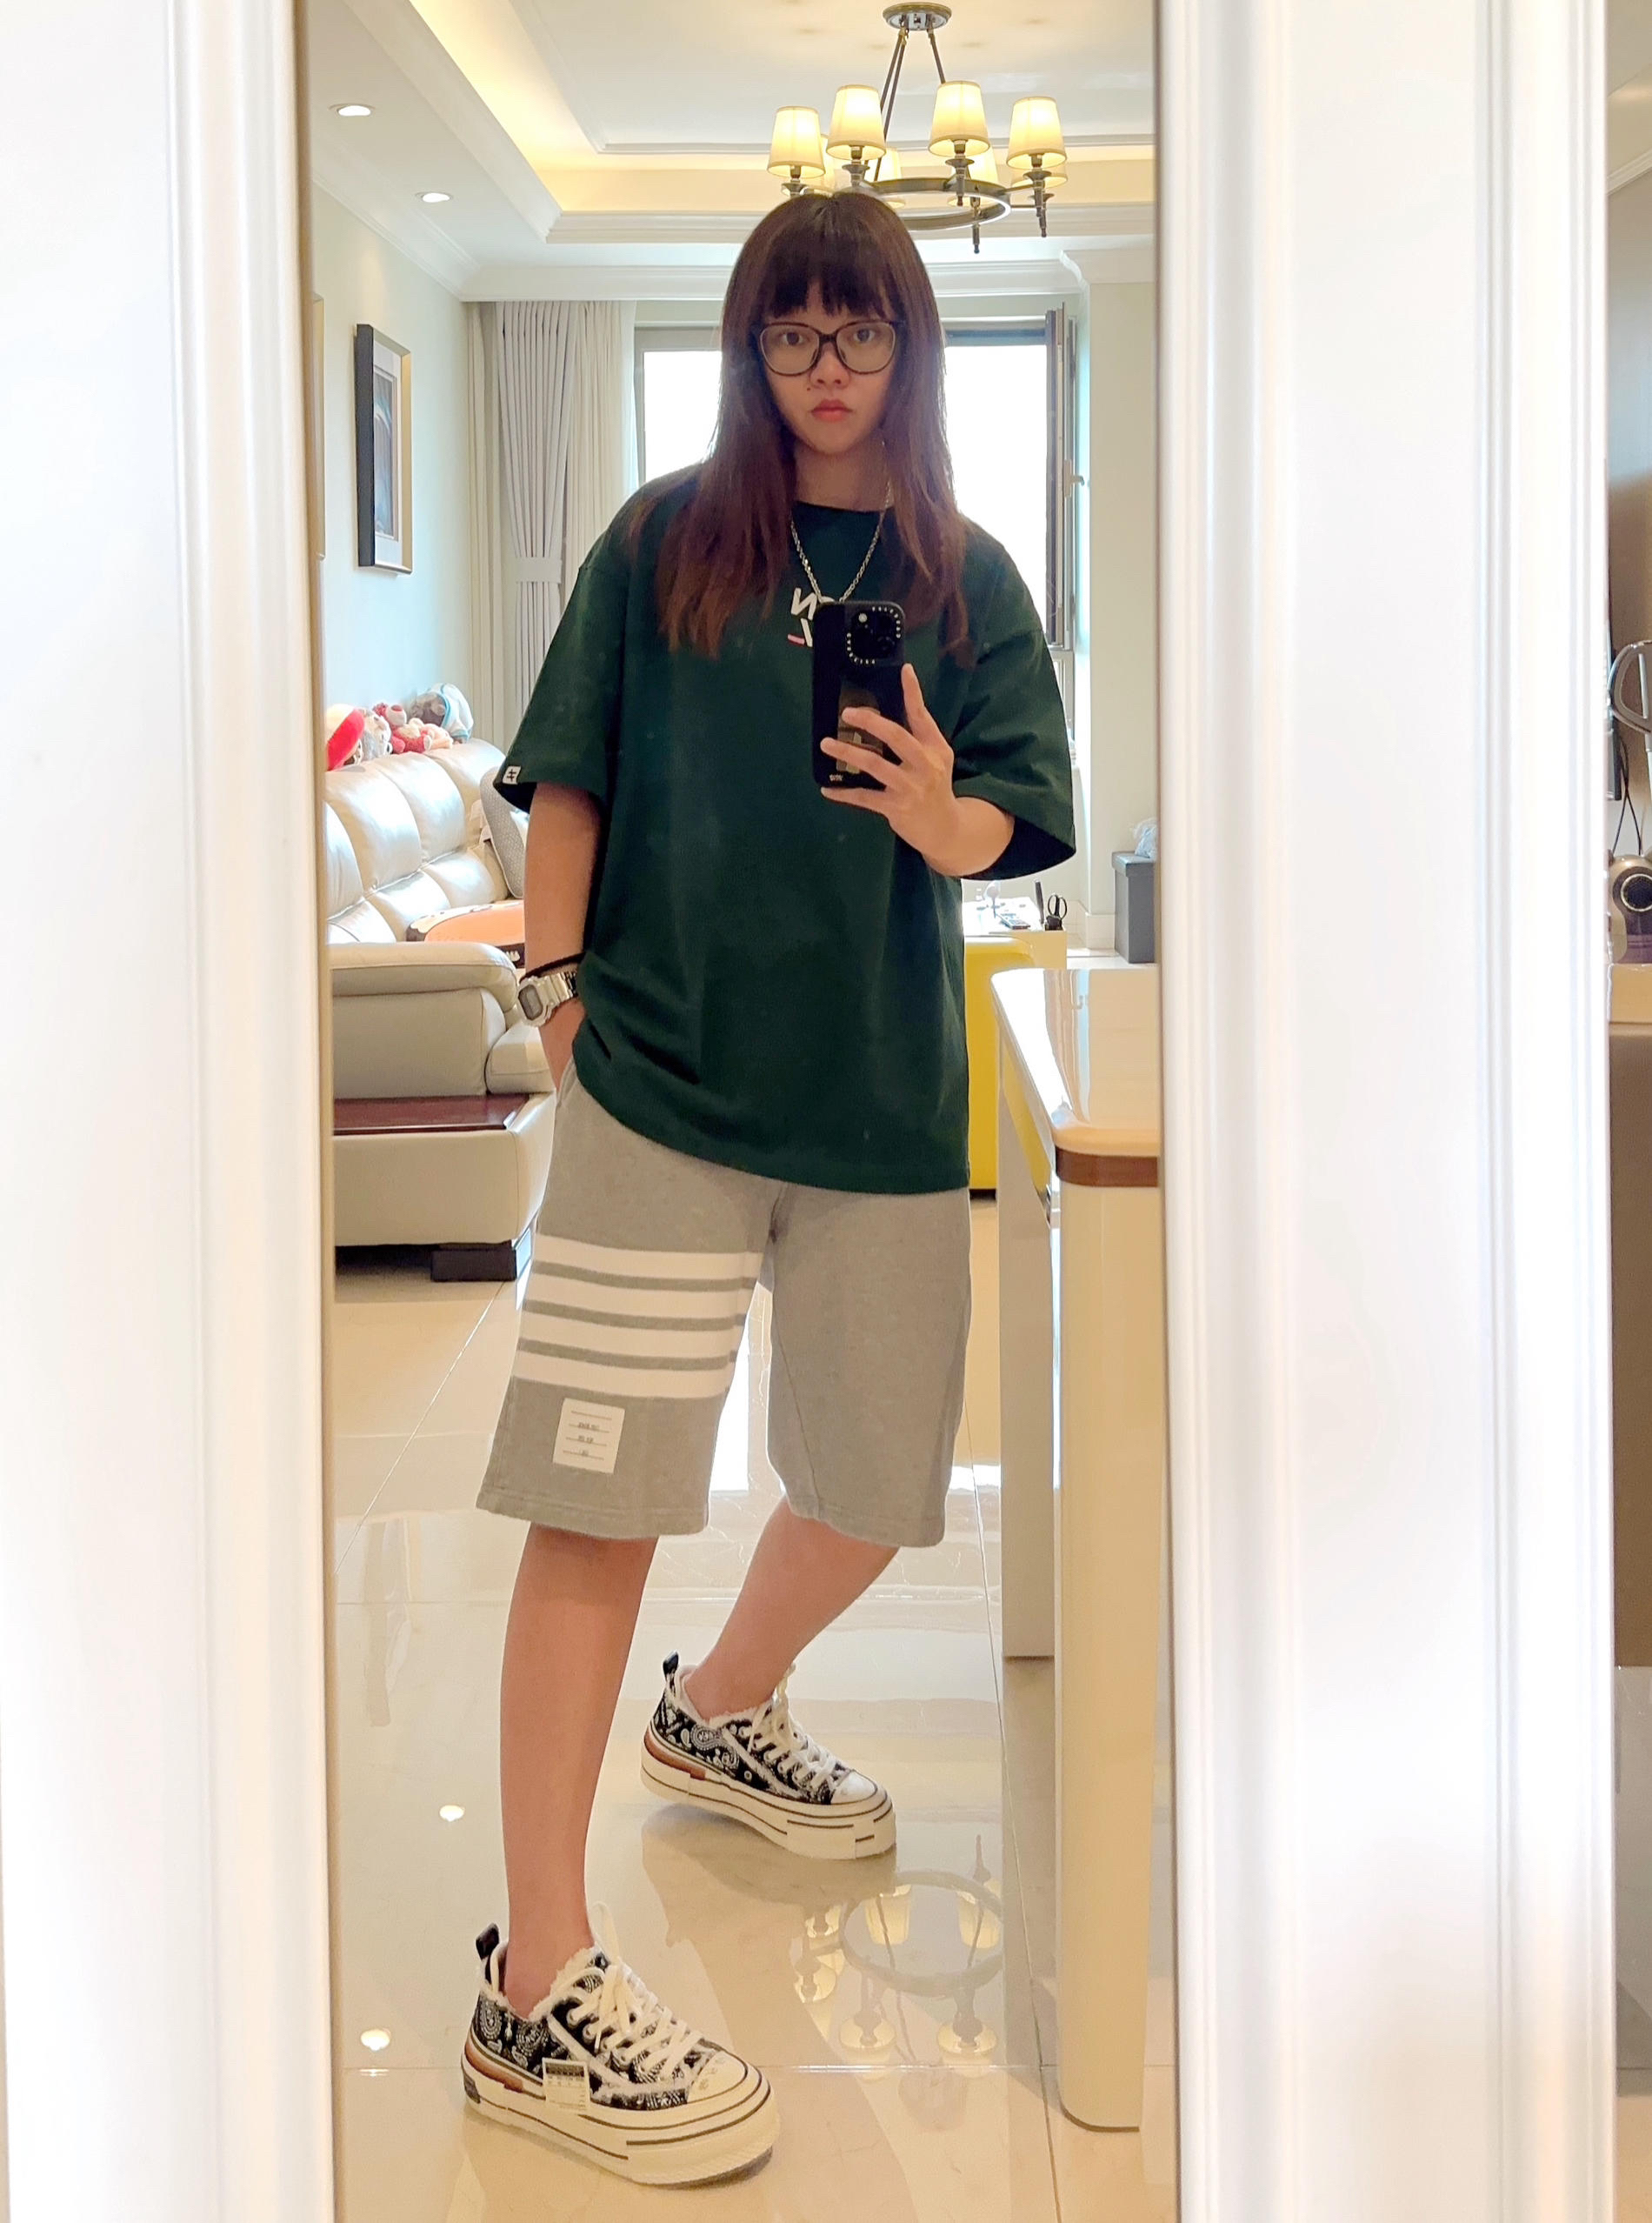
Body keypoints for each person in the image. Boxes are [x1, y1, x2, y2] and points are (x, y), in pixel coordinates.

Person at [459, 187, 1076, 2186]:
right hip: (656, 1088)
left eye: (858, 329)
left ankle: (717, 1706)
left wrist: (940, 809)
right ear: (750, 351)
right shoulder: (663, 543)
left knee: (879, 1479)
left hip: (880, 1104)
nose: (824, 363)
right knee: (598, 1500)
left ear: (906, 349)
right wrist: (556, 995)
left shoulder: (965, 577)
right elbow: (567, 782)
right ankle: (536, 1975)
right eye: (791, 331)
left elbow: (1016, 824)